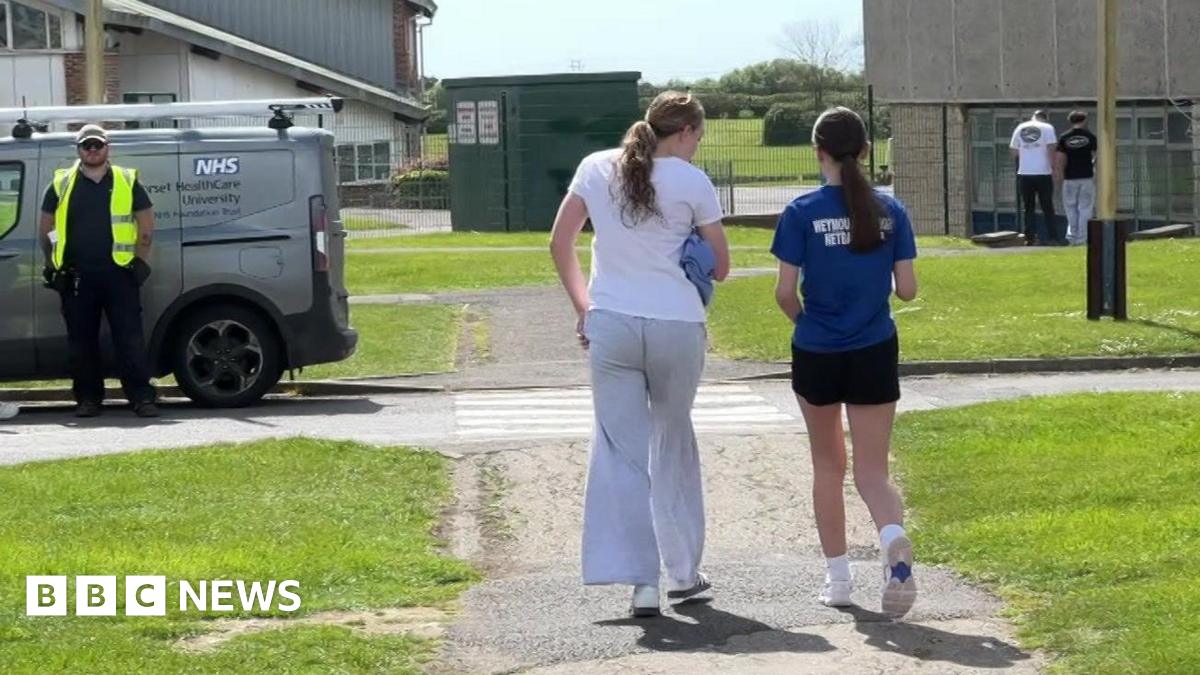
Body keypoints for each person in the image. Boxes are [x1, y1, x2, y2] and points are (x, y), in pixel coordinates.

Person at [549, 91, 731, 618]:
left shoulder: (594, 167)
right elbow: (720, 266)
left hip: (612, 322)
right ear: (687, 132)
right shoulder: (691, 182)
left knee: (621, 452)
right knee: (672, 442)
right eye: (698, 137)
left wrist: (584, 307)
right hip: (676, 323)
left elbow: (561, 242)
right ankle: (683, 572)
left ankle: (640, 582)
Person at [771, 107, 919, 618]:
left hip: (817, 349)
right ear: (864, 151)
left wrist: (806, 323)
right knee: (873, 472)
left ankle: (838, 580)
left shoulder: (801, 211)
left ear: (818, 152)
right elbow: (908, 289)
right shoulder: (891, 211)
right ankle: (893, 540)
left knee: (827, 466)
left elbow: (785, 292)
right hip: (874, 346)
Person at [39, 125, 159, 418]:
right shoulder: (61, 183)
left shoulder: (127, 180)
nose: (92, 150)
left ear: (108, 147)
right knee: (81, 342)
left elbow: (146, 225)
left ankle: (142, 399)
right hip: (77, 276)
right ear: (78, 150)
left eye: (97, 145)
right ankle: (89, 400)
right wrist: (54, 265)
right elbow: (47, 227)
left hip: (119, 275)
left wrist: (141, 262)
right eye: (86, 146)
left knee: (129, 339)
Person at [1011, 110, 1064, 245]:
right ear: (1044, 118)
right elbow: (1051, 149)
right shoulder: (1047, 128)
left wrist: (1026, 158)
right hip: (1043, 173)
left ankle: (1030, 238)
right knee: (1047, 206)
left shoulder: (1020, 128)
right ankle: (1053, 238)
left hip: (1025, 174)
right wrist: (1055, 169)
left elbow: (1014, 151)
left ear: (1033, 117)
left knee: (1028, 207)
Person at [1056, 110, 1098, 246]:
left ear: (1070, 121)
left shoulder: (1064, 137)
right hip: (1086, 176)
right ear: (1084, 120)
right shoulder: (1090, 136)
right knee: (1085, 208)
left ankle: (1072, 237)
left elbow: (1061, 158)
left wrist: (1060, 174)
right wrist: (1093, 164)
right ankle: (1082, 239)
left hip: (1069, 177)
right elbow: (1098, 153)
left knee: (1070, 208)